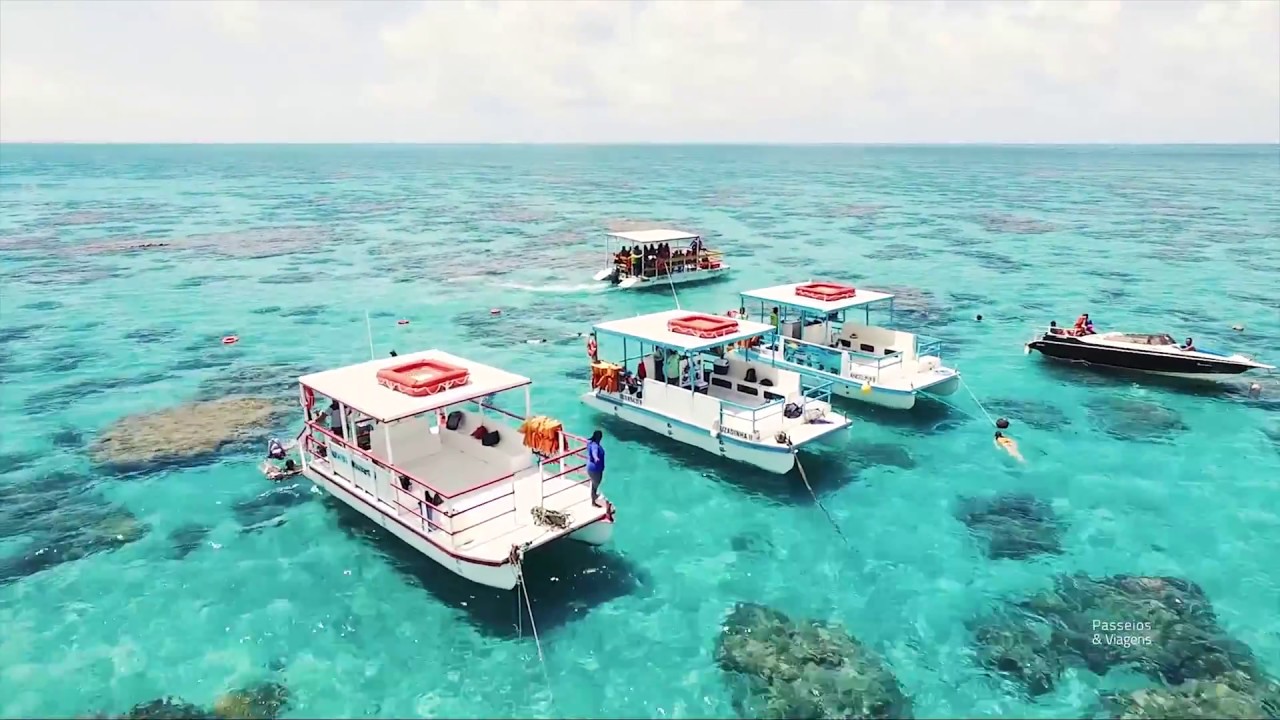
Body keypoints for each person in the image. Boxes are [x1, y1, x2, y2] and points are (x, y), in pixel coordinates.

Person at [586, 430, 606, 507]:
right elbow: (594, 452)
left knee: (594, 484)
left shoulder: (590, 443)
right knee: (595, 485)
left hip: (591, 468)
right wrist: (596, 458)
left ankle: (594, 498)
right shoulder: (595, 446)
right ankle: (593, 501)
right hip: (595, 469)